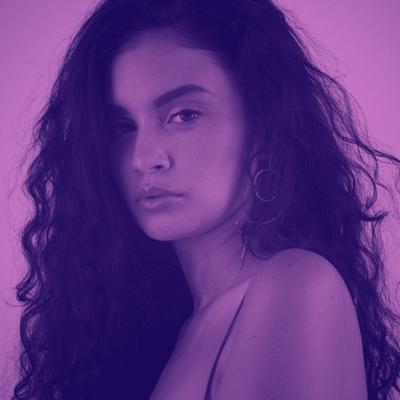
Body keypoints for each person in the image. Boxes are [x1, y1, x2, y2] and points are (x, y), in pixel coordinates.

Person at [12, 0, 400, 399]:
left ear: (265, 125)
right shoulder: (172, 328)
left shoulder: (296, 286)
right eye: (122, 126)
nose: (144, 158)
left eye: (184, 115)